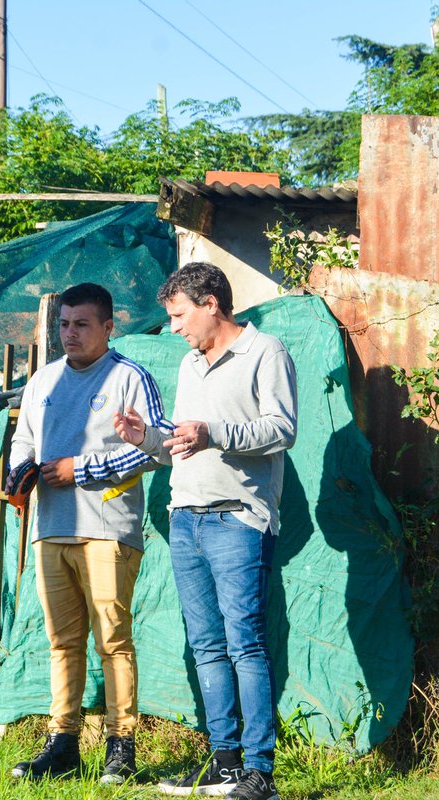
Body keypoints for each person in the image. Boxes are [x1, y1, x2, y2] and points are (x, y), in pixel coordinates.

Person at [115, 263, 297, 800]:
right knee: (207, 646)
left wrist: (213, 431)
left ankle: (259, 773)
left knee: (246, 645)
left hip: (238, 516)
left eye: (178, 315)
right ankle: (224, 764)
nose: (173, 328)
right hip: (186, 517)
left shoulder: (267, 353)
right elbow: (183, 445)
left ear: (211, 303)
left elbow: (282, 429)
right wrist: (147, 438)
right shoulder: (191, 365)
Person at [8, 282, 171, 784]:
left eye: (81, 324)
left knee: (113, 640)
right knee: (62, 642)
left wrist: (79, 469)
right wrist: (19, 473)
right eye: (63, 324)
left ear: (107, 327)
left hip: (108, 528)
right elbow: (24, 438)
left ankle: (121, 747)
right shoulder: (43, 381)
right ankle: (63, 744)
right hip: (52, 527)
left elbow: (156, 448)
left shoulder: (131, 378)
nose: (70, 334)